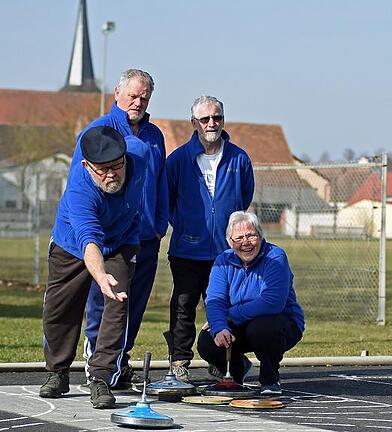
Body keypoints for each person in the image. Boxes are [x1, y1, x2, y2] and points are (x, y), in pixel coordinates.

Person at [73, 69, 168, 389]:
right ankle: (96, 358)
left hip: (146, 235)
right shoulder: (99, 130)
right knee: (106, 299)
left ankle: (119, 359)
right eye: (132, 95)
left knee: (135, 302)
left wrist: (160, 223)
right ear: (117, 94)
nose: (138, 102)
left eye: (144, 97)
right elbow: (81, 179)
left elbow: (160, 181)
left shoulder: (155, 135)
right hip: (111, 234)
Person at [39, 126, 145, 409]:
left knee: (117, 304)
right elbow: (89, 240)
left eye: (117, 166)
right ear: (86, 166)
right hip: (74, 244)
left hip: (121, 239)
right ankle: (57, 372)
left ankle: (100, 377)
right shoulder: (80, 190)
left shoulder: (140, 154)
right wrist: (100, 276)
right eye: (103, 169)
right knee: (60, 308)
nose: (112, 174)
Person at [166, 95, 255, 381]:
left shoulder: (239, 159)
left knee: (225, 309)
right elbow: (167, 202)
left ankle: (223, 361)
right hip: (187, 250)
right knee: (183, 307)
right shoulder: (179, 160)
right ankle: (179, 362)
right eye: (204, 119)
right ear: (194, 123)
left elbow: (244, 197)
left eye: (216, 117)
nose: (211, 123)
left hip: (226, 253)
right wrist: (186, 227)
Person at [198, 211, 304, 395]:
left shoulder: (276, 257)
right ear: (230, 242)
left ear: (261, 237)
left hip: (279, 323)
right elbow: (215, 300)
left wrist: (230, 314)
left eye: (251, 235)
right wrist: (219, 325)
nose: (245, 242)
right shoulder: (222, 261)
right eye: (238, 238)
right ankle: (234, 374)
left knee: (262, 328)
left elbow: (272, 303)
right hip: (241, 324)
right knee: (207, 340)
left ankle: (270, 380)